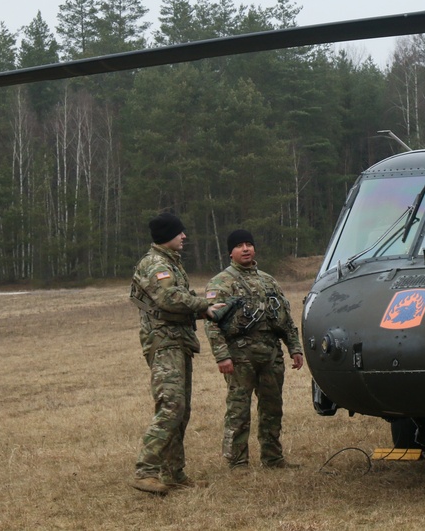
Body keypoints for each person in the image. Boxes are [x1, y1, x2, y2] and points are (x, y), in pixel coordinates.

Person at [129, 212, 222, 495]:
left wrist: (205, 311)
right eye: (180, 232)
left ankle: (174, 473)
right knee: (171, 406)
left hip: (178, 340)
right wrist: (202, 304)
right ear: (167, 235)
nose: (184, 237)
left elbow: (176, 303)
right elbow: (168, 299)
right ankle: (145, 471)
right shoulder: (156, 264)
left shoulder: (171, 263)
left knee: (181, 411)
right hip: (164, 342)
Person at [204, 229, 304, 470]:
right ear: (231, 251)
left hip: (270, 354)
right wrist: (222, 356)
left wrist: (295, 348)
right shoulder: (221, 283)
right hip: (240, 355)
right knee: (238, 409)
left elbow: (285, 318)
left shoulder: (268, 280)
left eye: (249, 244)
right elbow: (212, 323)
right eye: (240, 245)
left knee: (273, 407)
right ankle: (237, 461)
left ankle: (273, 457)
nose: (246, 248)